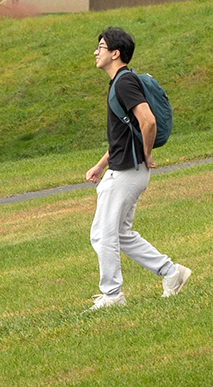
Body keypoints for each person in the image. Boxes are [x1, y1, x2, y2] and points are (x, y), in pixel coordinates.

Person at [84, 27, 191, 308]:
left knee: (102, 233)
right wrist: (99, 165)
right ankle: (171, 273)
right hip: (123, 169)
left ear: (115, 53)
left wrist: (146, 154)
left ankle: (112, 295)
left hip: (128, 172)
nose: (96, 52)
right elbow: (126, 132)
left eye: (101, 47)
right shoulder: (120, 82)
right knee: (120, 234)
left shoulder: (124, 83)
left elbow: (148, 121)